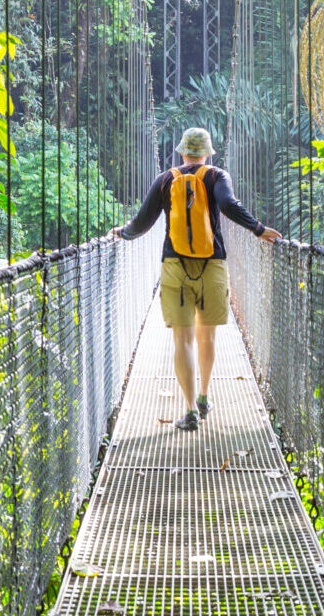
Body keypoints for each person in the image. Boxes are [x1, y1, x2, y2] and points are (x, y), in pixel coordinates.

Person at [111, 128, 281, 431]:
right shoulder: (216, 175)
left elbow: (142, 222)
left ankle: (189, 410)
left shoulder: (165, 179)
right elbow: (228, 206)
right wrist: (258, 228)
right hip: (212, 264)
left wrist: (123, 233)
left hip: (175, 265)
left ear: (181, 152)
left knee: (183, 340)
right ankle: (204, 396)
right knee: (207, 336)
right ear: (208, 153)